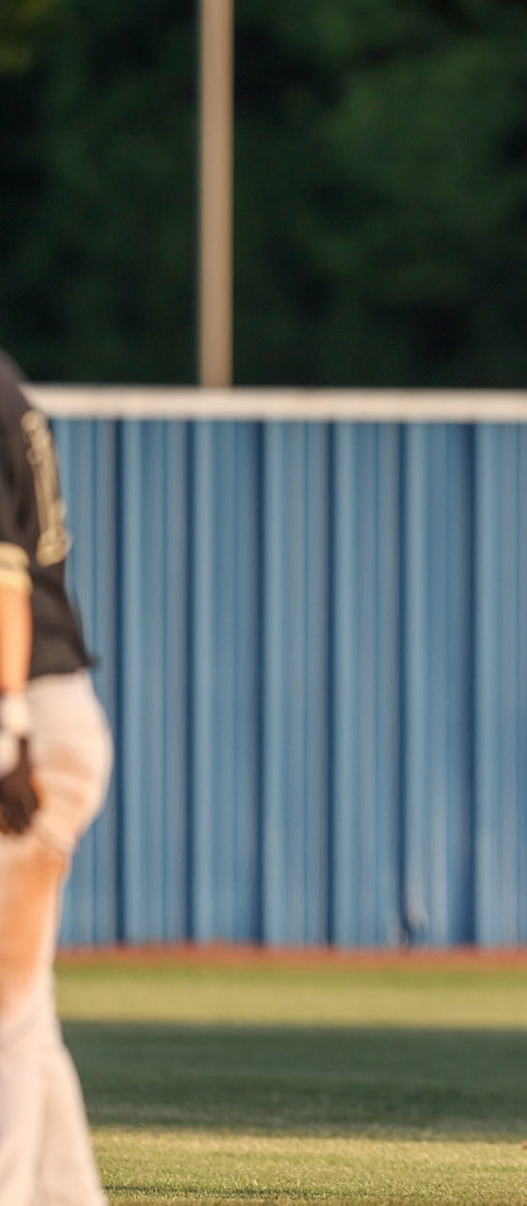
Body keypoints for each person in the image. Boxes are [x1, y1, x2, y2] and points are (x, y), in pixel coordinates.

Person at [0, 350, 113, 1206]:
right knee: (21, 1019)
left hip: (26, 710)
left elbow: (1, 585)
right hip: (47, 710)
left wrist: (6, 730)